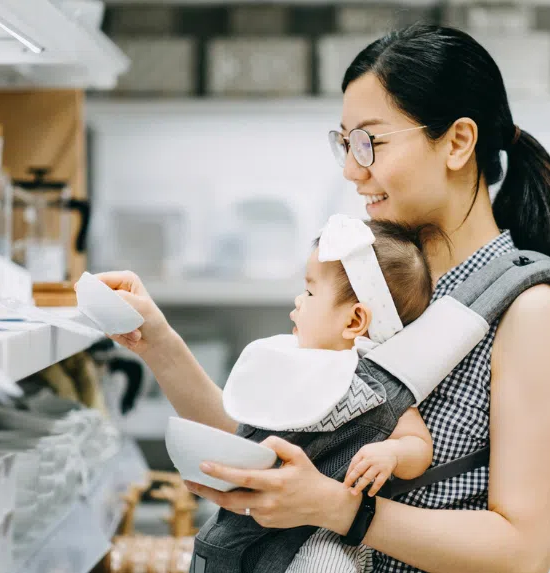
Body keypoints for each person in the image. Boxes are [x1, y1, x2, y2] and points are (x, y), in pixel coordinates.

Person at [92, 23, 550, 573]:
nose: (352, 169)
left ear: (458, 142)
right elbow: (268, 439)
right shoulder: (372, 281)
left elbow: (523, 551)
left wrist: (337, 509)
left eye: (370, 141)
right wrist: (155, 340)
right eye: (345, 143)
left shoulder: (531, 307)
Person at [182, 215, 437, 573]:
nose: (299, 301)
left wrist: (392, 452)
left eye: (311, 292)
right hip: (257, 524)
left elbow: (419, 444)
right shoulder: (290, 361)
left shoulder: (376, 383)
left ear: (353, 321)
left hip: (325, 533)